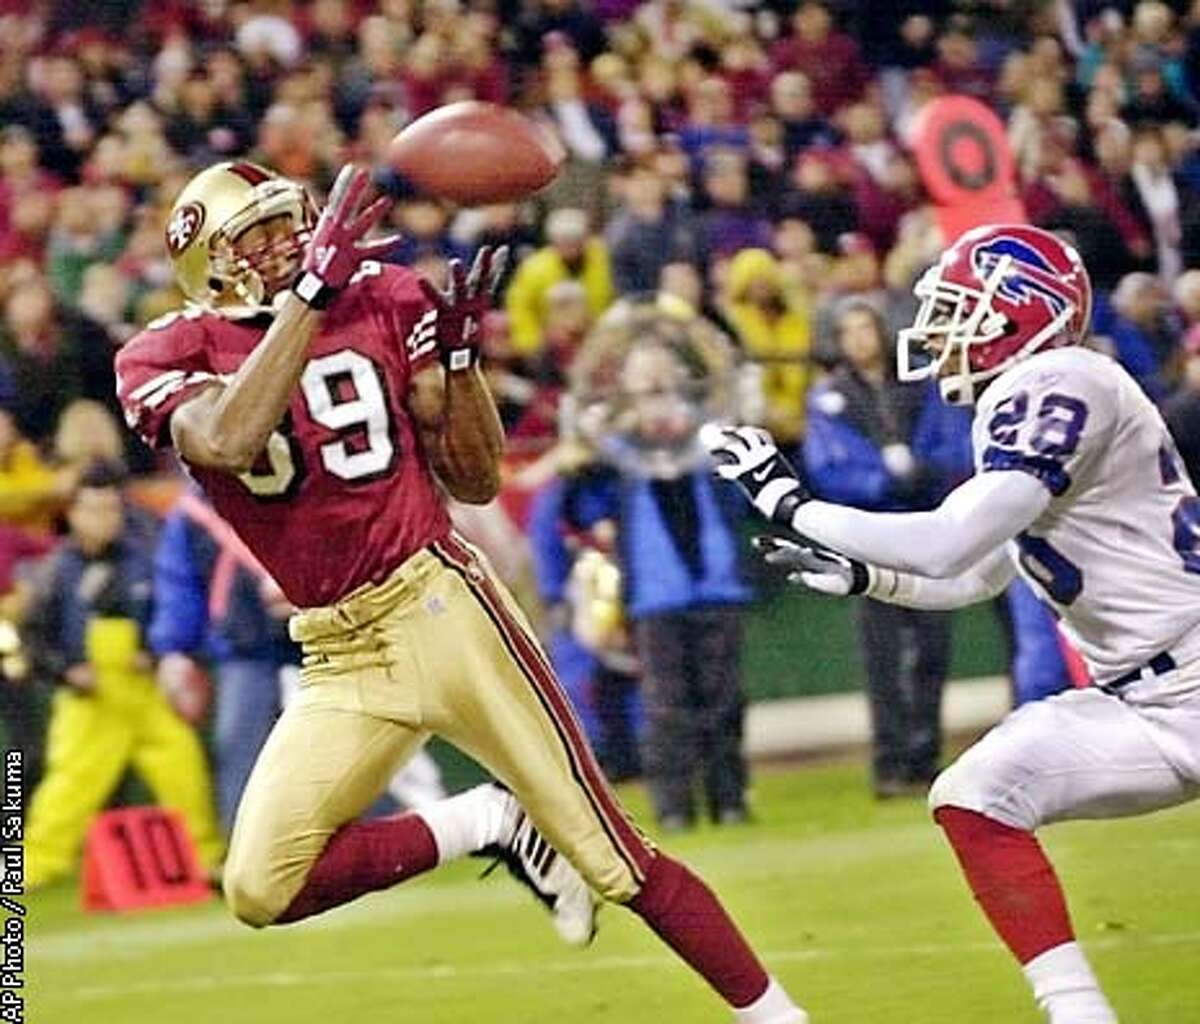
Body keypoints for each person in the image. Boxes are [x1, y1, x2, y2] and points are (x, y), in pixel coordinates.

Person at [115, 160, 806, 1023]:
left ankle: (782, 1018)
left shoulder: (385, 295)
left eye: (288, 220)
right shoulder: (165, 351)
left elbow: (474, 479)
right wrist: (312, 301)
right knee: (259, 884)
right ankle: (483, 822)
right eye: (256, 233)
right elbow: (226, 434)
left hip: (439, 605)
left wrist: (463, 362)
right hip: (336, 647)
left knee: (613, 858)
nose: (289, 239)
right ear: (210, 262)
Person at [704, 223, 1200, 1024]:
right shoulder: (1036, 397)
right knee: (976, 795)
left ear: (1017, 314)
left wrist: (786, 499)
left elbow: (947, 542)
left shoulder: (1062, 379)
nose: (935, 331)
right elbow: (979, 570)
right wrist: (869, 576)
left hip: (1191, 672)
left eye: (957, 310)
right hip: (1141, 699)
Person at [22, 461, 222, 887]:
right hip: (90, 699)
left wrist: (153, 652)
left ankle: (206, 862)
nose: (105, 519)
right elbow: (34, 639)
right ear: (72, 513)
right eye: (94, 510)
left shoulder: (145, 557)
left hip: (148, 690)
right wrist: (67, 672)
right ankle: (32, 868)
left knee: (183, 774)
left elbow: (173, 613)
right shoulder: (56, 571)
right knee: (69, 787)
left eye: (112, 509)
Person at [804, 300, 972, 796]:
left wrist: (923, 471)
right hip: (871, 537)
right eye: (848, 330)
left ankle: (925, 758)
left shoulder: (921, 386)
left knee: (932, 649)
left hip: (926, 532)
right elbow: (828, 467)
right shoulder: (829, 397)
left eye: (865, 327)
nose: (859, 339)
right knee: (881, 655)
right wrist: (884, 482)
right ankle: (890, 763)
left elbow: (955, 445)